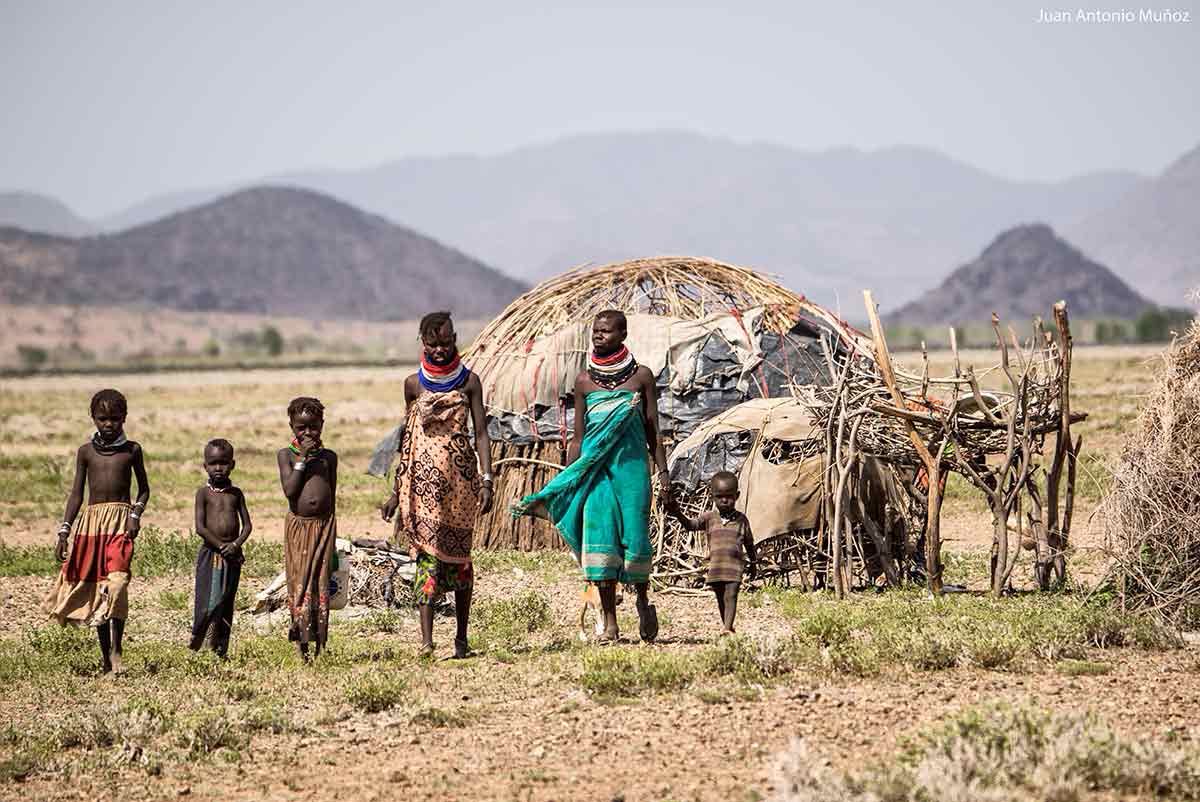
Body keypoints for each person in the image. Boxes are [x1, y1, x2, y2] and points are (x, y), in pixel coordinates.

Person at [514, 309, 669, 643]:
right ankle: (610, 621)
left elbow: (653, 428)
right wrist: (572, 475)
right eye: (596, 331)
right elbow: (580, 436)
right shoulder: (584, 381)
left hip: (632, 473)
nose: (599, 336)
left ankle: (642, 600)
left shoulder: (642, 377)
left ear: (623, 334)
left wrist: (664, 472)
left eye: (606, 331)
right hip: (596, 472)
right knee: (602, 542)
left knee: (637, 542)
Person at [381, 311, 493, 658]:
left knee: (460, 561)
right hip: (421, 489)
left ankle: (461, 640)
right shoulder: (413, 385)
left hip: (460, 485)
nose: (441, 349)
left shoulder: (469, 382)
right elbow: (407, 438)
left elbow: (482, 433)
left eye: (446, 342)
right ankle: (427, 642)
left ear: (455, 338)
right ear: (422, 342)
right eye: (433, 343)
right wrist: (394, 491)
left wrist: (487, 480)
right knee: (426, 562)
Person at [43, 388, 150, 674]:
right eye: (102, 418)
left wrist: (135, 514)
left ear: (124, 418)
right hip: (91, 527)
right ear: (92, 418)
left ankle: (117, 649)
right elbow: (76, 494)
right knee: (97, 589)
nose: (108, 424)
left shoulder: (132, 451)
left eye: (115, 418)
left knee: (117, 583)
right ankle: (106, 656)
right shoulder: (86, 452)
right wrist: (65, 530)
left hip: (119, 523)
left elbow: (144, 490)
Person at [276, 397, 338, 660]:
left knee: (321, 583)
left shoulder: (329, 458)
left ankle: (320, 645)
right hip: (299, 528)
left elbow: (331, 496)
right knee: (300, 584)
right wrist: (302, 459)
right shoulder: (286, 455)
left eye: (313, 427)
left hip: (324, 526)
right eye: (301, 428)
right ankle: (301, 644)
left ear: (322, 425)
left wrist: (333, 533)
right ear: (291, 425)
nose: (308, 433)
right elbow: (290, 491)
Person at [665, 471, 757, 635]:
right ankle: (727, 626)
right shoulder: (709, 518)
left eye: (729, 496)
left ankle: (727, 627)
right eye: (720, 496)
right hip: (716, 567)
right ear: (712, 497)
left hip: (734, 567)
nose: (724, 500)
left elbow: (749, 543)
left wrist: (754, 563)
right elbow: (690, 526)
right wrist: (677, 512)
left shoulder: (742, 520)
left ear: (737, 496)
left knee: (731, 595)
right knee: (721, 598)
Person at [190, 438, 252, 657]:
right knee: (209, 600)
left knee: (226, 600)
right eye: (213, 463)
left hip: (232, 557)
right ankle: (203, 644)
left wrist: (235, 545)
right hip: (211, 554)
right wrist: (221, 545)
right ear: (205, 465)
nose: (218, 468)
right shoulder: (203, 494)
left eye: (223, 463)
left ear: (232, 464)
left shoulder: (236, 494)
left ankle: (220, 649)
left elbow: (247, 526)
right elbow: (200, 527)